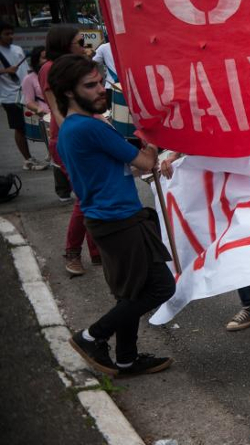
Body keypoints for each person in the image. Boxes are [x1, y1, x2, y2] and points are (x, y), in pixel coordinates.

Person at [50, 54, 175, 377]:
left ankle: (126, 359)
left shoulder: (73, 129)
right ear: (68, 92)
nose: (100, 91)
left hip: (111, 219)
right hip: (119, 221)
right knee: (161, 287)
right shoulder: (90, 128)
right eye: (90, 86)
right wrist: (149, 133)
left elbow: (119, 169)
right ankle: (93, 336)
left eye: (99, 83)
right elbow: (145, 162)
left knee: (130, 292)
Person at [158, 152, 250, 330]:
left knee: (240, 237)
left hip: (243, 168)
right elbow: (193, 127)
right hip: (216, 172)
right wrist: (175, 155)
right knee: (228, 234)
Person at [41, 25, 101, 273]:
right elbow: (56, 108)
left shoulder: (76, 66)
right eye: (79, 42)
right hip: (68, 139)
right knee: (85, 197)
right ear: (65, 43)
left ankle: (97, 252)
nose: (84, 46)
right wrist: (73, 134)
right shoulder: (50, 68)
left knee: (93, 194)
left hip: (84, 134)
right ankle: (72, 253)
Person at [1, 22, 46, 170]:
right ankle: (28, 159)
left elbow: (26, 71)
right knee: (19, 127)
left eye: (11, 33)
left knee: (43, 123)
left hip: (24, 92)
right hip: (9, 96)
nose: (10, 36)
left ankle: (51, 154)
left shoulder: (17, 49)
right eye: (6, 34)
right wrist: (5, 71)